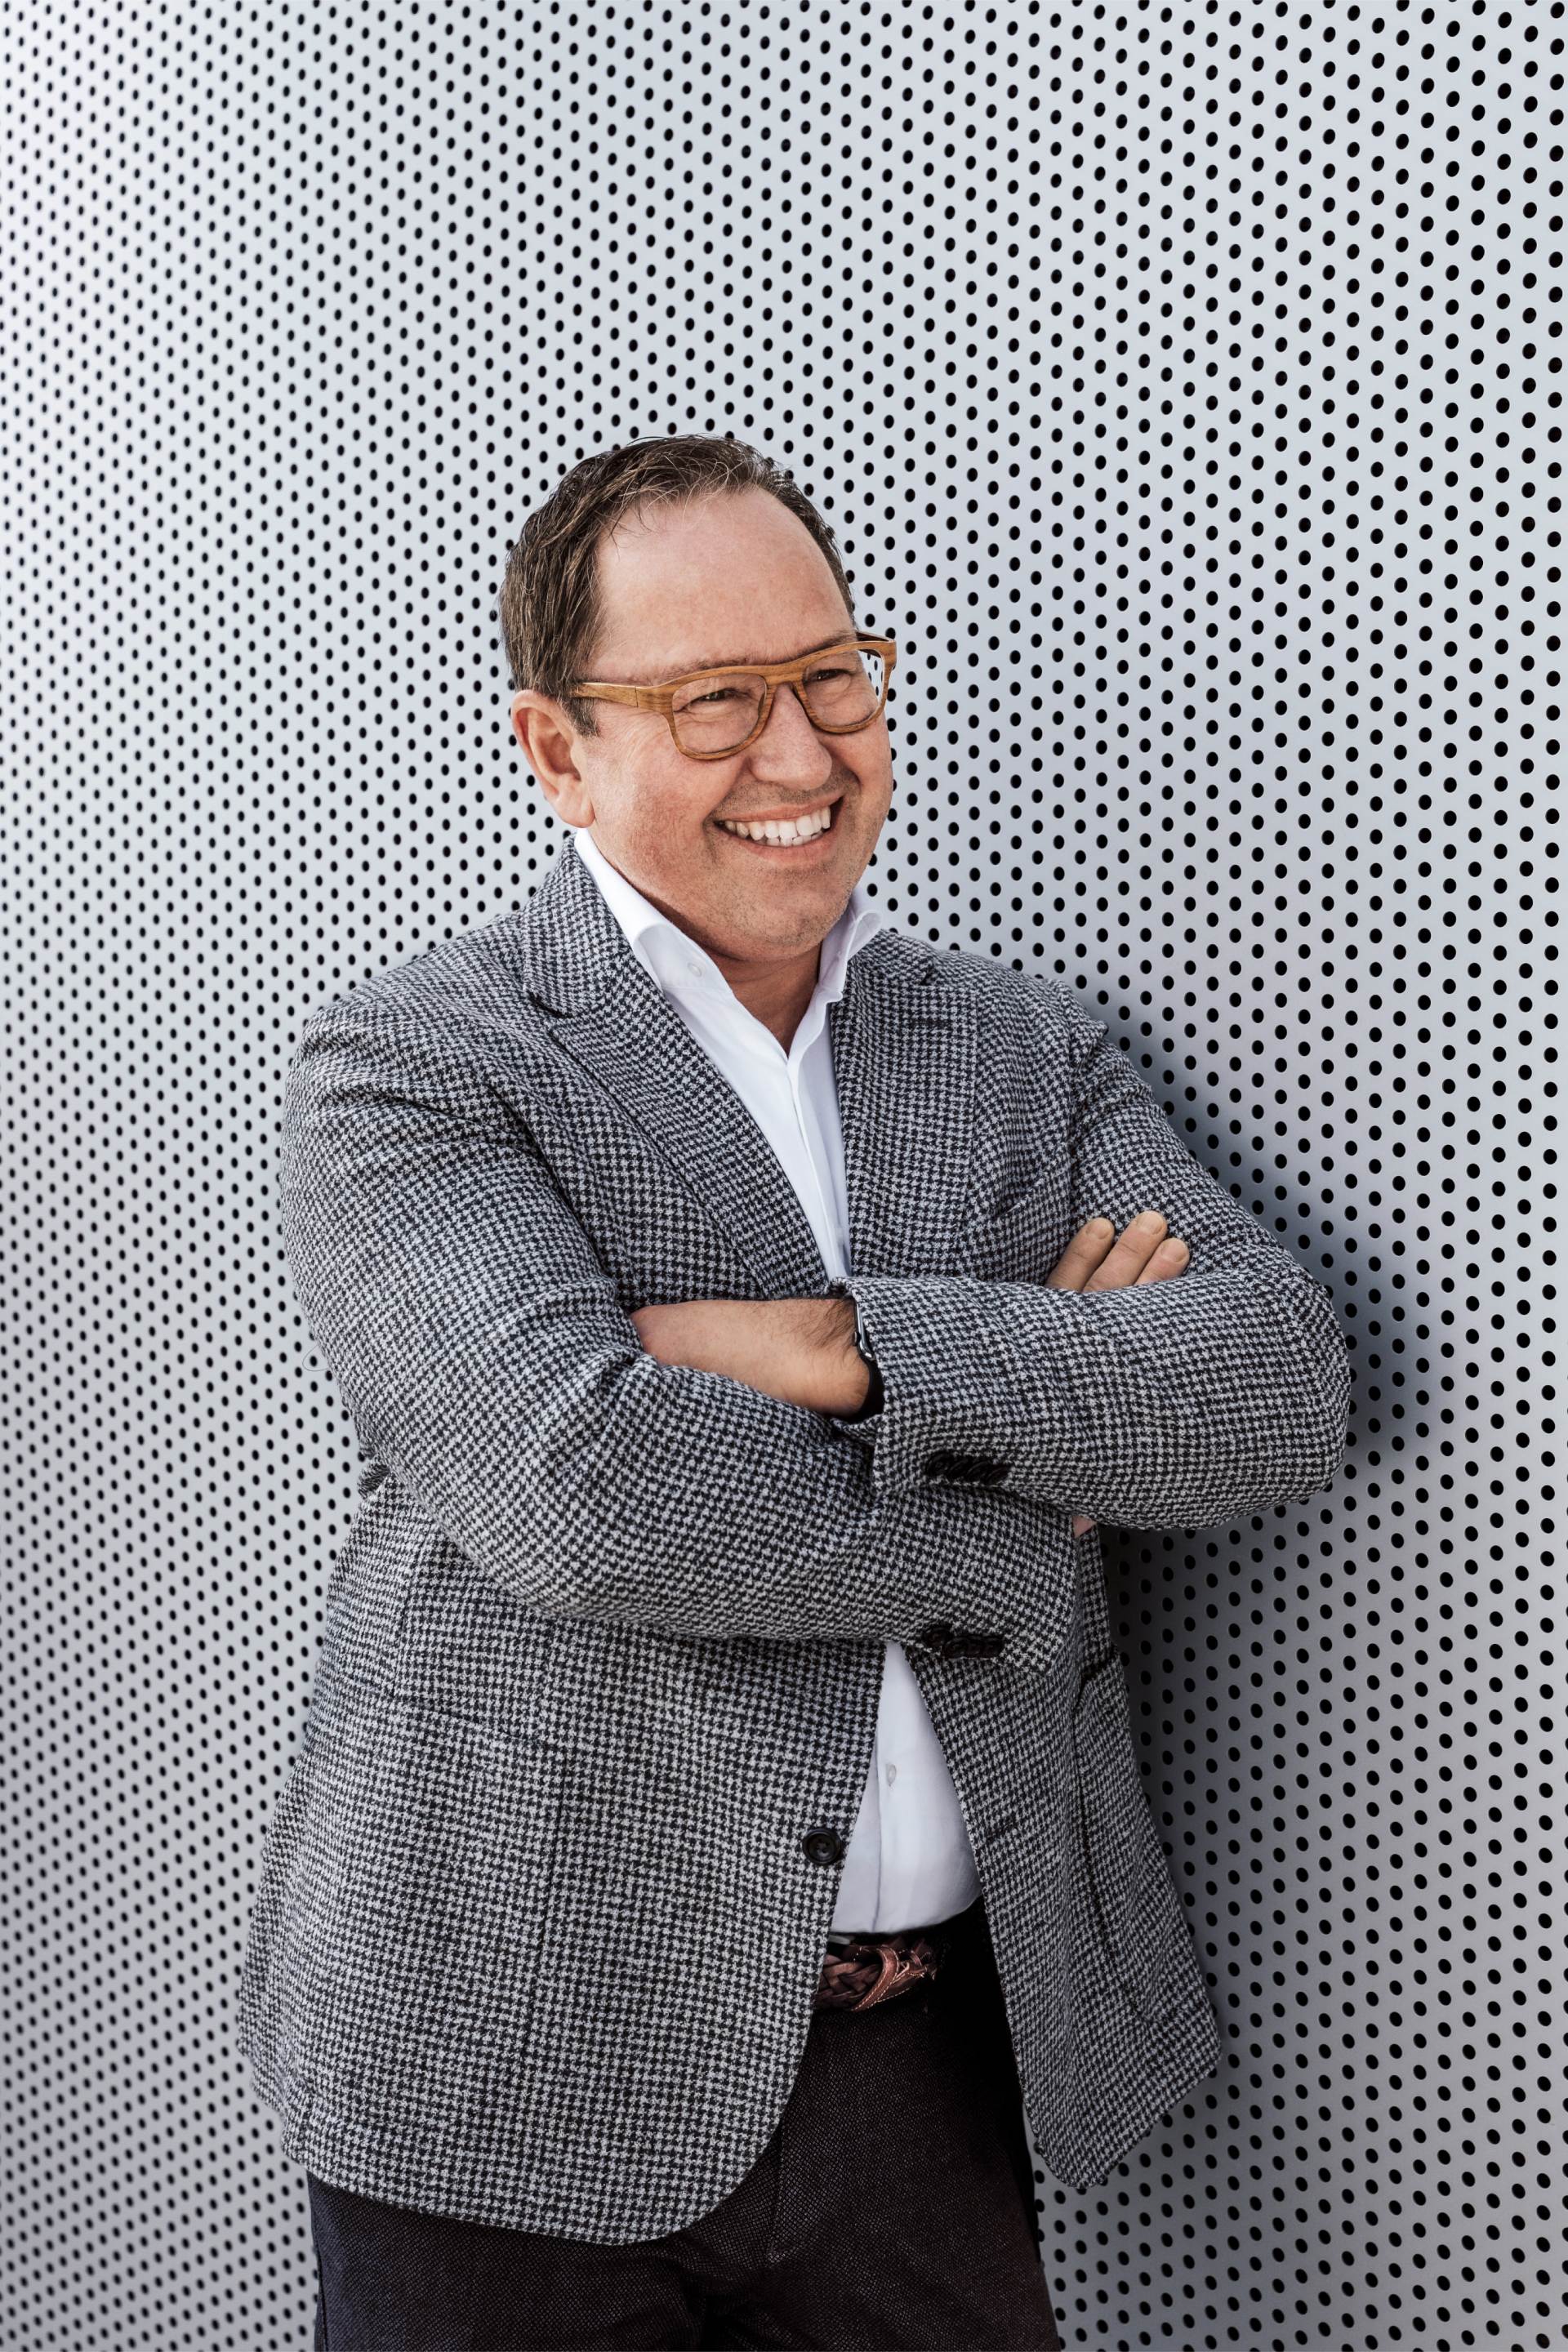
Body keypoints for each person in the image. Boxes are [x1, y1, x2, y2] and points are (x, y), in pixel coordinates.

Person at [237, 434, 1351, 2350]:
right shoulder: (414, 1067)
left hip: (930, 2070)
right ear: (556, 749)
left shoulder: (1018, 1045)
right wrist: (1037, 1476)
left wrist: (841, 1349)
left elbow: (1274, 1380)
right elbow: (579, 1489)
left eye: (835, 675)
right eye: (714, 700)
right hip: (505, 2061)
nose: (803, 754)